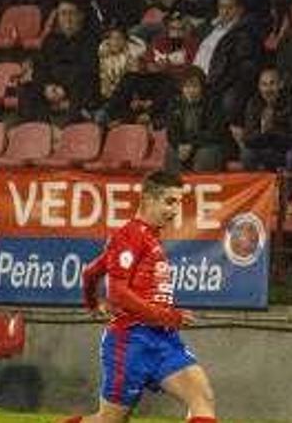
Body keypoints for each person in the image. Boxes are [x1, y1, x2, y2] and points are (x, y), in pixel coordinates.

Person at [64, 171, 217, 423]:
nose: (176, 210)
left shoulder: (149, 238)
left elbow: (91, 272)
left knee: (202, 397)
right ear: (147, 199)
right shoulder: (129, 235)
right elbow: (118, 293)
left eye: (179, 202)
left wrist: (92, 303)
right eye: (170, 201)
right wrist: (167, 315)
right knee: (109, 421)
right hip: (130, 340)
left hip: (163, 339)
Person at [232, 68, 292, 172]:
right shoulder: (254, 103)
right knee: (247, 154)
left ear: (281, 85)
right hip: (273, 146)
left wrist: (272, 131)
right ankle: (261, 187)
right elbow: (248, 138)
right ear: (259, 87)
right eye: (264, 84)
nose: (268, 89)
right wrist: (263, 132)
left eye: (272, 83)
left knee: (291, 156)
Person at [166, 67, 229, 172]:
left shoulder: (213, 103)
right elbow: (171, 131)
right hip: (185, 145)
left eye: (194, 86)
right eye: (186, 87)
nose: (190, 91)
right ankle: (173, 185)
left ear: (202, 87)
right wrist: (179, 145)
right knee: (171, 152)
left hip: (208, 145)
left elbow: (214, 133)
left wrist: (191, 145)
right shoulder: (175, 103)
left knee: (205, 155)